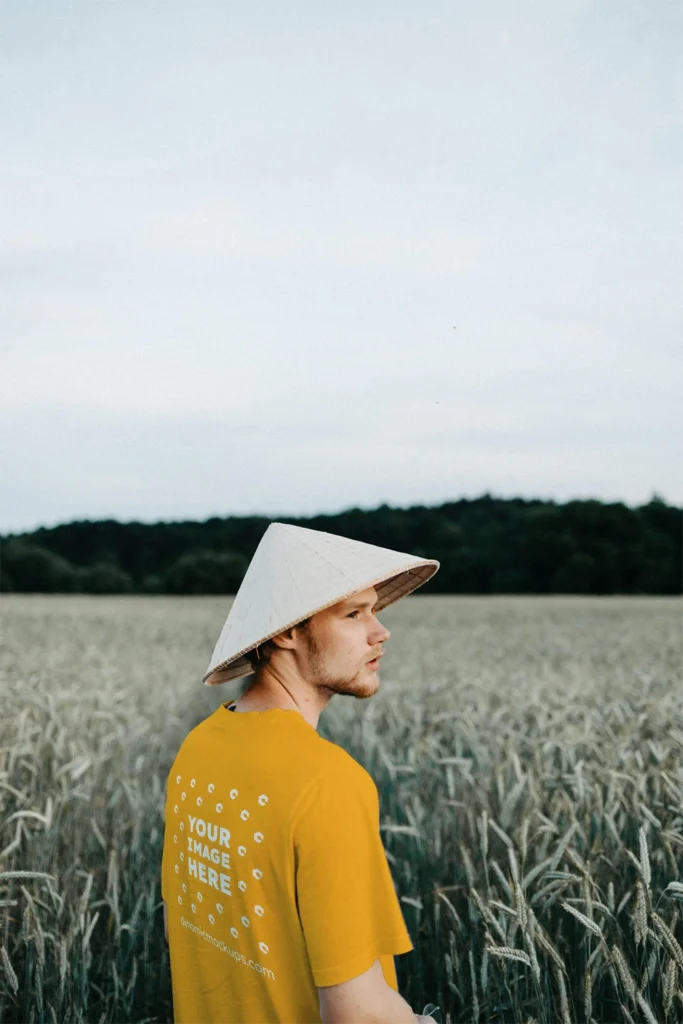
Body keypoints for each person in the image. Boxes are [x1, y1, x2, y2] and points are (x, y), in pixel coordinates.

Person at [161, 521, 440, 1023]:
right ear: (288, 630)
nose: (381, 631)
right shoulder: (328, 781)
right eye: (354, 613)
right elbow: (357, 1013)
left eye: (375, 610)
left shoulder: (196, 750)